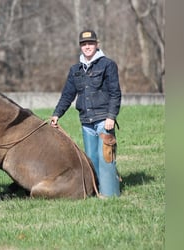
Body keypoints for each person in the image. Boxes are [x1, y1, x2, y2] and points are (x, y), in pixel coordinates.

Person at [51, 29, 121, 197]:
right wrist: (56, 114)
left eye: (90, 43)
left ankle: (110, 195)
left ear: (97, 44)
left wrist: (111, 116)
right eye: (84, 44)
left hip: (104, 120)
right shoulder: (75, 70)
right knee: (91, 160)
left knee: (106, 158)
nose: (87, 47)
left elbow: (115, 93)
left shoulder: (108, 65)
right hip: (86, 122)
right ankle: (95, 192)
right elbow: (68, 94)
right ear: (80, 47)